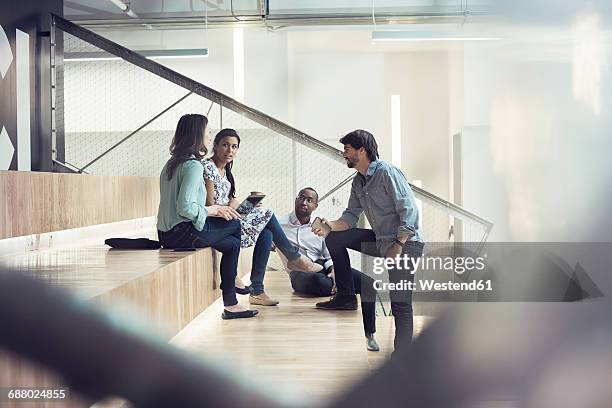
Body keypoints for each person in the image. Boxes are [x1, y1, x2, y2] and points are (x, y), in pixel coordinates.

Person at [312, 129, 424, 351]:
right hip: (381, 240)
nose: (344, 153)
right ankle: (345, 295)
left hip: (407, 243)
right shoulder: (358, 182)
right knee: (334, 239)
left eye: (347, 149)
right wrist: (329, 225)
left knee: (400, 302)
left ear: (361, 151)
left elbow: (410, 212)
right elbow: (351, 217)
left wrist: (398, 246)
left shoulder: (387, 172)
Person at [203, 128, 321, 307]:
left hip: (228, 217)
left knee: (267, 233)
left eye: (234, 147)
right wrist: (236, 207)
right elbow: (210, 204)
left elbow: (228, 201)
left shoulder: (225, 170)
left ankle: (257, 290)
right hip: (214, 222)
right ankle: (294, 258)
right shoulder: (208, 167)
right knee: (268, 214)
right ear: (215, 145)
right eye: (225, 145)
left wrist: (247, 205)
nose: (230, 150)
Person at [156, 114, 258, 320]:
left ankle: (232, 299)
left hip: (165, 234)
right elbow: (185, 207)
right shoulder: (194, 166)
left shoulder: (171, 163)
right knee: (235, 224)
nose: (210, 138)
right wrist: (214, 210)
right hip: (183, 233)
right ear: (197, 135)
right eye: (208, 133)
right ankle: (231, 296)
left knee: (230, 245)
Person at [278, 187, 380, 352]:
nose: (304, 202)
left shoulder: (319, 227)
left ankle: (368, 331)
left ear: (315, 206)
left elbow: (328, 254)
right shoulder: (281, 224)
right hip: (300, 272)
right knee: (321, 283)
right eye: (301, 198)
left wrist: (333, 271)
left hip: (323, 267)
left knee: (369, 284)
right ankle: (343, 294)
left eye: (309, 200)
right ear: (296, 199)